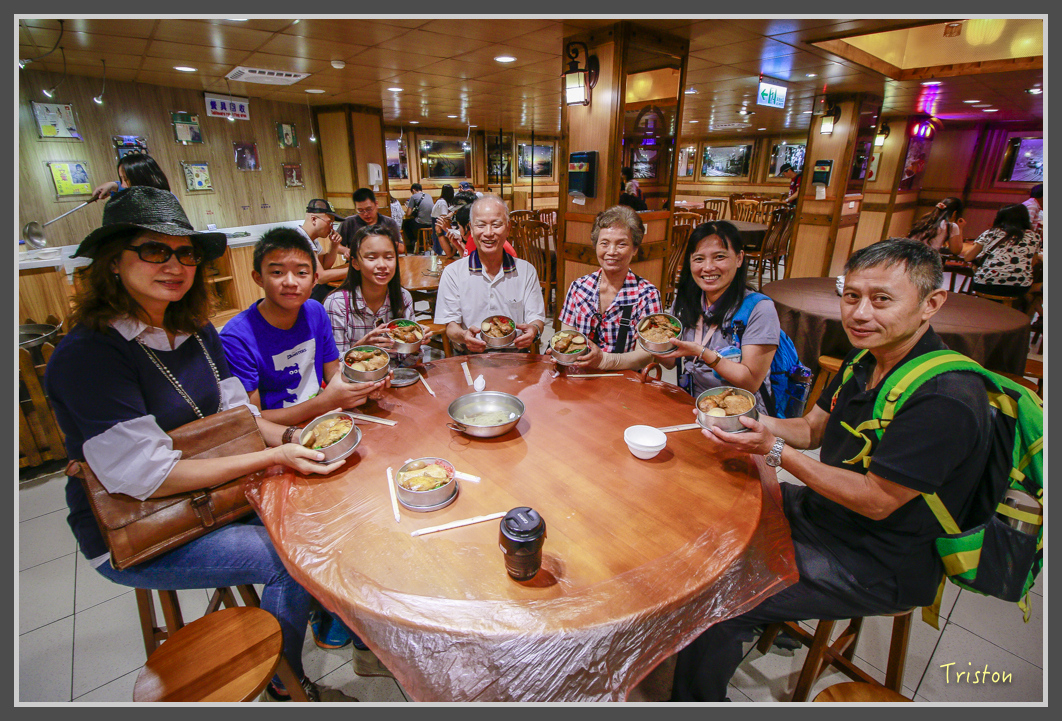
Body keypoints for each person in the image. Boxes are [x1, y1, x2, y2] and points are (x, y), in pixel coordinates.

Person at [43, 187, 356, 702]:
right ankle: (287, 681)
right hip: (140, 528)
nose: (175, 264)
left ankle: (327, 617)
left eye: (185, 253)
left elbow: (244, 420)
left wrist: (305, 439)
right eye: (154, 250)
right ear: (112, 262)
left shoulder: (195, 331)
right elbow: (149, 475)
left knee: (315, 508)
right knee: (287, 556)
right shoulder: (90, 355)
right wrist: (277, 455)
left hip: (214, 496)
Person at [670, 238, 992, 702]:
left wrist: (774, 449)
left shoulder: (944, 397)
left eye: (882, 299)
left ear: (931, 304)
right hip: (828, 513)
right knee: (711, 504)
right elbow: (813, 427)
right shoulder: (866, 359)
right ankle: (772, 611)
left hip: (879, 558)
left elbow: (877, 500)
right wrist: (745, 422)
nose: (860, 314)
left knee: (719, 602)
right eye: (852, 296)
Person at [219, 227, 388, 425]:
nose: (290, 282)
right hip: (277, 434)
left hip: (324, 419)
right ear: (258, 278)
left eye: (301, 272)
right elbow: (252, 420)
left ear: (314, 279)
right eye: (277, 272)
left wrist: (364, 384)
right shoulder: (237, 337)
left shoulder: (315, 311)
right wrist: (324, 402)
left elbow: (332, 372)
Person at [649, 220, 779, 415]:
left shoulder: (760, 309)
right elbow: (670, 362)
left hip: (738, 414)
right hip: (693, 404)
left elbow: (750, 382)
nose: (708, 267)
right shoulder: (684, 303)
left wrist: (703, 352)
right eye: (699, 259)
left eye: (719, 257)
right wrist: (653, 342)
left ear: (739, 258)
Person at [434, 194, 546, 354]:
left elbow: (536, 318)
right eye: (480, 225)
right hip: (470, 354)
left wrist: (534, 330)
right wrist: (463, 335)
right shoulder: (453, 273)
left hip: (515, 355)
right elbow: (451, 326)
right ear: (471, 229)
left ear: (508, 228)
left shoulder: (526, 271)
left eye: (496, 225)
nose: (488, 233)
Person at [556, 205, 662, 371]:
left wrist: (604, 360)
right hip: (581, 376)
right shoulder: (579, 287)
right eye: (604, 243)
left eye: (621, 244)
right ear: (595, 245)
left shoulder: (647, 295)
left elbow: (647, 353)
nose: (611, 252)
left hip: (624, 382)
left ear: (634, 249)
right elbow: (567, 335)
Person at [324, 222, 426, 367]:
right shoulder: (338, 303)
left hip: (394, 380)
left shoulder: (402, 297)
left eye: (389, 257)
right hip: (356, 385)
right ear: (355, 263)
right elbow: (333, 368)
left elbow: (406, 361)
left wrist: (414, 344)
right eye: (372, 258)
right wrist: (361, 347)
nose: (382, 265)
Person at [961, 203, 1042, 303]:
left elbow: (968, 258)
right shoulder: (1034, 237)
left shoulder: (990, 233)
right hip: (1018, 287)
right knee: (1027, 290)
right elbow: (1032, 263)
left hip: (985, 285)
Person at [300, 198, 349, 303]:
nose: (332, 228)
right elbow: (321, 277)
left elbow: (325, 266)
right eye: (329, 222)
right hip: (300, 296)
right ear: (314, 219)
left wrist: (334, 245)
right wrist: (355, 270)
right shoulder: (300, 239)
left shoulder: (312, 239)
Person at [338, 188, 405, 256]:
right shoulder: (348, 222)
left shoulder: (389, 222)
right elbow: (337, 246)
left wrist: (383, 241)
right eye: (360, 210)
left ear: (376, 204)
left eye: (369, 209)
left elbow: (401, 249)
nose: (365, 214)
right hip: (357, 263)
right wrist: (346, 250)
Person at [91, 152, 171, 200]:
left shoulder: (164, 201)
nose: (123, 185)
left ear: (142, 178)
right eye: (121, 179)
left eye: (126, 180)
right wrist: (113, 185)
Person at [403, 183, 434, 251]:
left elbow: (408, 214)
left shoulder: (413, 197)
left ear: (413, 190)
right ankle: (425, 244)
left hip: (421, 223)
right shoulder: (429, 196)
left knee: (406, 225)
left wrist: (407, 207)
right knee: (416, 222)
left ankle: (414, 243)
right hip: (431, 223)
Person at [430, 183, 456, 254]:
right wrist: (453, 212)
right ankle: (442, 253)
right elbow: (444, 217)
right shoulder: (442, 202)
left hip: (438, 221)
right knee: (441, 240)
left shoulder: (442, 201)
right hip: (439, 222)